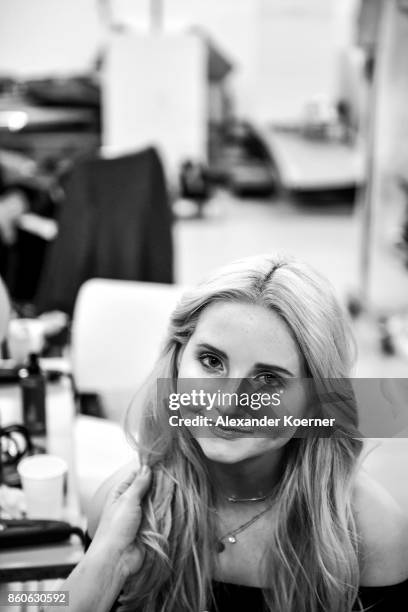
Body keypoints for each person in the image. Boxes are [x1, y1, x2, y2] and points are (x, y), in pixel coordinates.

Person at [48, 254, 408, 612]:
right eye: (211, 361)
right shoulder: (121, 510)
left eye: (269, 379)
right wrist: (104, 566)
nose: (229, 403)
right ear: (177, 359)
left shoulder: (369, 533)